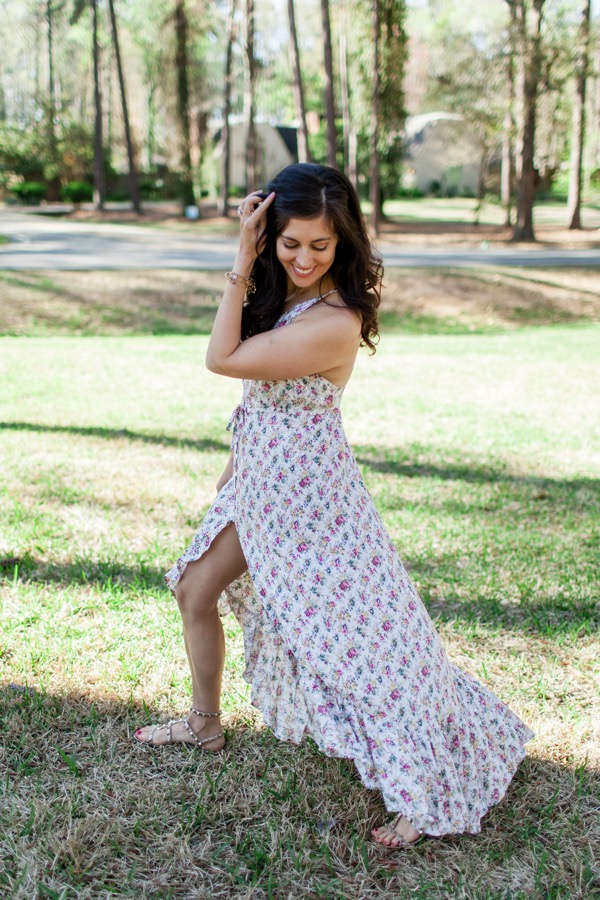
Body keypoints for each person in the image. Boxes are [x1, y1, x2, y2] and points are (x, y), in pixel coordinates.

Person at [134, 163, 533, 847]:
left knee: (367, 649)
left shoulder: (335, 321)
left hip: (315, 508)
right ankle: (204, 725)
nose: (304, 257)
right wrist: (232, 478)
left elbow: (222, 359)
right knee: (196, 588)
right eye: (289, 242)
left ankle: (422, 787)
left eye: (321, 245)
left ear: (343, 243)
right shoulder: (282, 296)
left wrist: (241, 257)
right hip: (260, 487)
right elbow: (255, 400)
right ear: (273, 233)